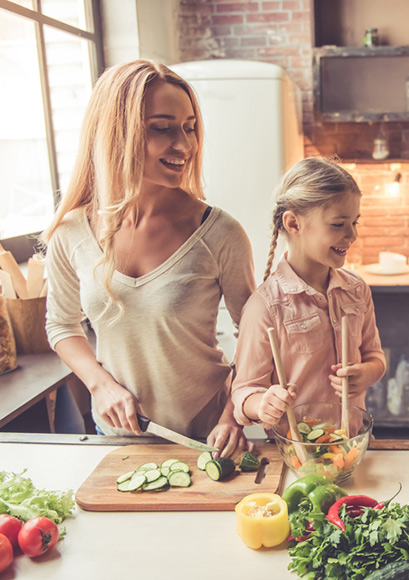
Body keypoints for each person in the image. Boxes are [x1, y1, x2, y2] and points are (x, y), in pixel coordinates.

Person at [43, 60, 256, 457]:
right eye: (162, 128)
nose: (185, 145)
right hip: (118, 434)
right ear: (116, 133)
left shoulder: (221, 233)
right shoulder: (71, 231)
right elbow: (61, 325)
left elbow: (256, 337)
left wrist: (233, 415)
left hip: (209, 435)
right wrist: (100, 384)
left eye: (190, 127)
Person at [231, 157, 385, 429]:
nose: (352, 235)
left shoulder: (357, 290)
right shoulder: (264, 307)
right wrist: (263, 403)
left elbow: (376, 357)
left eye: (354, 222)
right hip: (298, 454)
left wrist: (367, 373)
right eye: (338, 224)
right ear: (293, 224)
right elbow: (243, 392)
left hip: (353, 444)